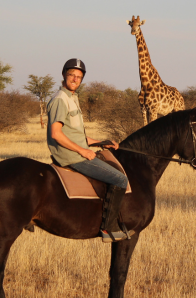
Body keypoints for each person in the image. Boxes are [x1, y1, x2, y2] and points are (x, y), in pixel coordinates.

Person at [46, 58, 134, 242]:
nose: (75, 79)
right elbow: (56, 134)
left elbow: (76, 135)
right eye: (72, 75)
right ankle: (108, 228)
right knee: (119, 178)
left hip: (77, 150)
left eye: (79, 77)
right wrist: (83, 151)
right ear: (64, 75)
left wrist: (100, 143)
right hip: (70, 156)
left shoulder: (72, 98)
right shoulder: (60, 100)